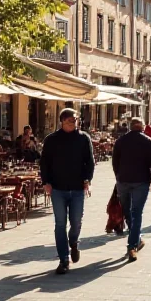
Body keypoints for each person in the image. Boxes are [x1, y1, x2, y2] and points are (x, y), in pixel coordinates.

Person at [40, 108, 95, 275]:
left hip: (78, 188)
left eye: (76, 120)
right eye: (71, 120)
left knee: (76, 221)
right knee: (60, 223)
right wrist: (46, 182)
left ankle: (74, 242)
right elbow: (44, 163)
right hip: (57, 188)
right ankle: (64, 259)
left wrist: (88, 180)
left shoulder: (84, 138)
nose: (75, 123)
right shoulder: (51, 140)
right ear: (62, 121)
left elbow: (90, 162)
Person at [112, 117, 151, 262]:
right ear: (143, 127)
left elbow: (115, 161)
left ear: (130, 127)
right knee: (136, 212)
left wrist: (118, 176)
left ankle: (135, 241)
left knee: (127, 211)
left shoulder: (120, 141)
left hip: (123, 181)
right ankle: (133, 244)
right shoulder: (148, 141)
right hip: (141, 181)